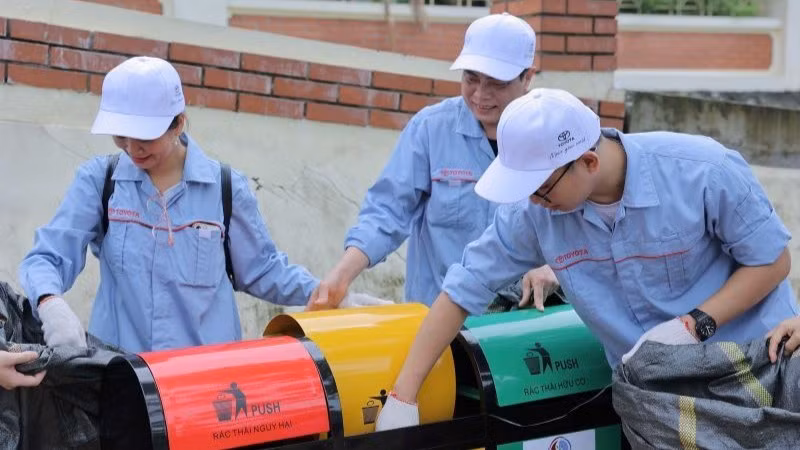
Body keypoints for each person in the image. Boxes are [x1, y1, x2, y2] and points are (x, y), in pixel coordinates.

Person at [374, 87, 798, 430]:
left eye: (541, 189)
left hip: (753, 370)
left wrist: (694, 323)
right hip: (656, 400)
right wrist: (403, 396)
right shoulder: (535, 213)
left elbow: (773, 261)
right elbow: (464, 287)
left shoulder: (702, 170)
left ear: (588, 161)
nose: (535, 203)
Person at [18, 56, 326, 353]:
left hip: (205, 381)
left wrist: (326, 292)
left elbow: (263, 270)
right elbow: (49, 255)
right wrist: (50, 303)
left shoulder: (225, 189)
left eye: (144, 137)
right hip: (123, 378)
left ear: (178, 123)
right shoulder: (100, 182)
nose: (132, 147)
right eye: (121, 135)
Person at [309, 13, 557, 311]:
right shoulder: (430, 129)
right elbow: (387, 212)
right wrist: (341, 275)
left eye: (496, 84)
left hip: (523, 326)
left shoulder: (551, 136)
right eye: (471, 78)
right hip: (443, 323)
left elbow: (579, 227)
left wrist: (554, 268)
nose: (480, 95)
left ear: (527, 77)